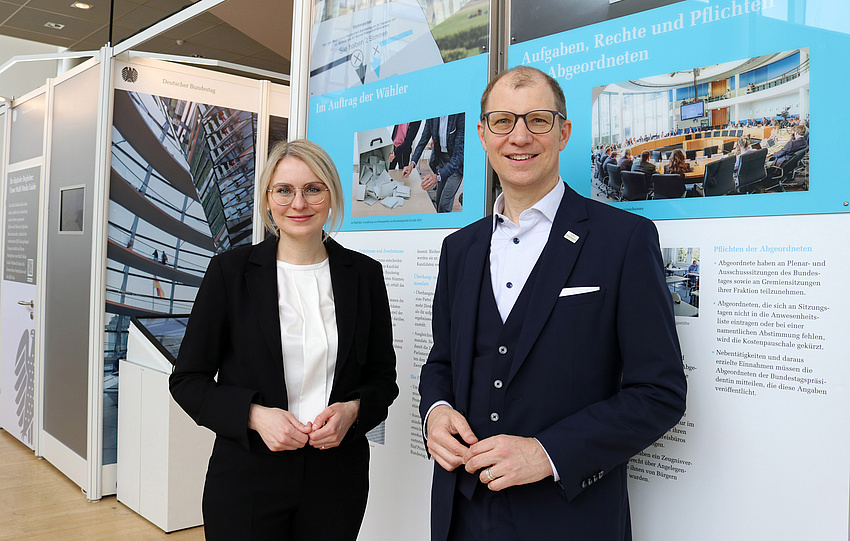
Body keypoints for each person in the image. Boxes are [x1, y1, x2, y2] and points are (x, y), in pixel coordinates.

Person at [418, 66, 686, 541]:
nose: (519, 136)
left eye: (537, 120)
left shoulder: (623, 240)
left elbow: (658, 393)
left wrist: (547, 453)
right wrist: (436, 409)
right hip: (461, 515)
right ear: (482, 135)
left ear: (563, 132)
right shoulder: (458, 249)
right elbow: (442, 362)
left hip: (570, 520)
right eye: (502, 121)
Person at [170, 140, 398, 540]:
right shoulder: (231, 272)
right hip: (248, 476)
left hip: (336, 479)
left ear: (331, 196)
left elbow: (383, 379)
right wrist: (256, 416)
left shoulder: (363, 275)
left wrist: (353, 412)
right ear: (268, 199)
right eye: (284, 190)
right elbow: (188, 380)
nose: (299, 203)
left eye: (313, 188)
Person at [403, 114, 464, 212]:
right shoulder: (432, 116)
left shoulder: (460, 116)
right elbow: (423, 141)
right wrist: (411, 164)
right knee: (438, 200)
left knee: (444, 205)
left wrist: (437, 177)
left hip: (455, 166)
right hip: (441, 161)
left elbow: (459, 156)